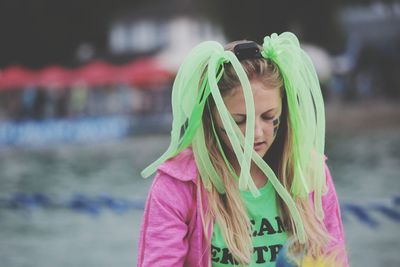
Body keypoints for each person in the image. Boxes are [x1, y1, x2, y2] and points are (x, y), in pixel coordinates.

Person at [137, 32, 348, 267]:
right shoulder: (177, 185)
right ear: (211, 116)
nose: (256, 133)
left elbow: (334, 258)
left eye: (269, 117)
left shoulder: (310, 173)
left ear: (285, 112)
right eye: (239, 120)